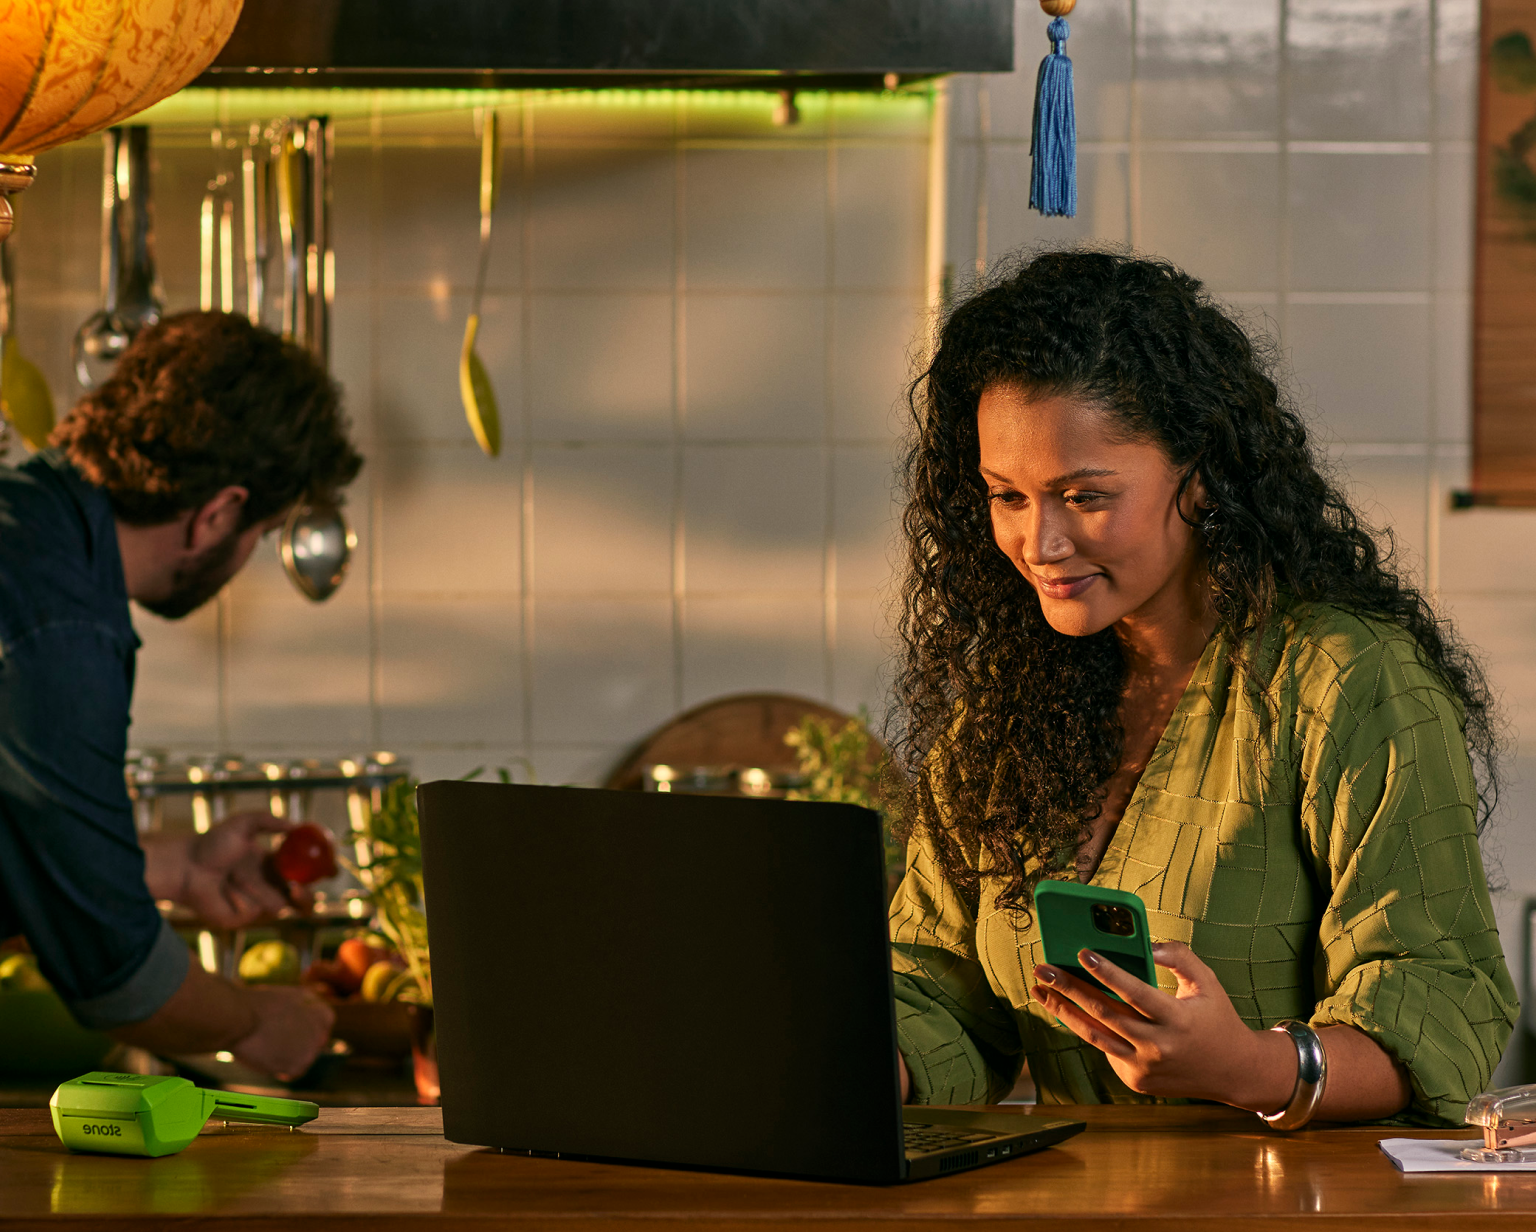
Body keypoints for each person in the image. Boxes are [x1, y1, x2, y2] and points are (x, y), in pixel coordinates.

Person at [887, 249, 1517, 1127]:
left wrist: (1252, 1066)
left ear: (1204, 475)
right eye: (1008, 497)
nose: (1042, 541)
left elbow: (1440, 997)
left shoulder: (1348, 681)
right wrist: (864, 1054)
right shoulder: (1007, 710)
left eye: (1084, 495)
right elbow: (942, 991)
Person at [0, 311, 362, 1079]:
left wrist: (170, 866)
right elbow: (119, 981)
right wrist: (258, 1021)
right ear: (219, 514)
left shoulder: (28, 531)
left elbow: (19, 844)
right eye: (259, 534)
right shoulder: (57, 623)